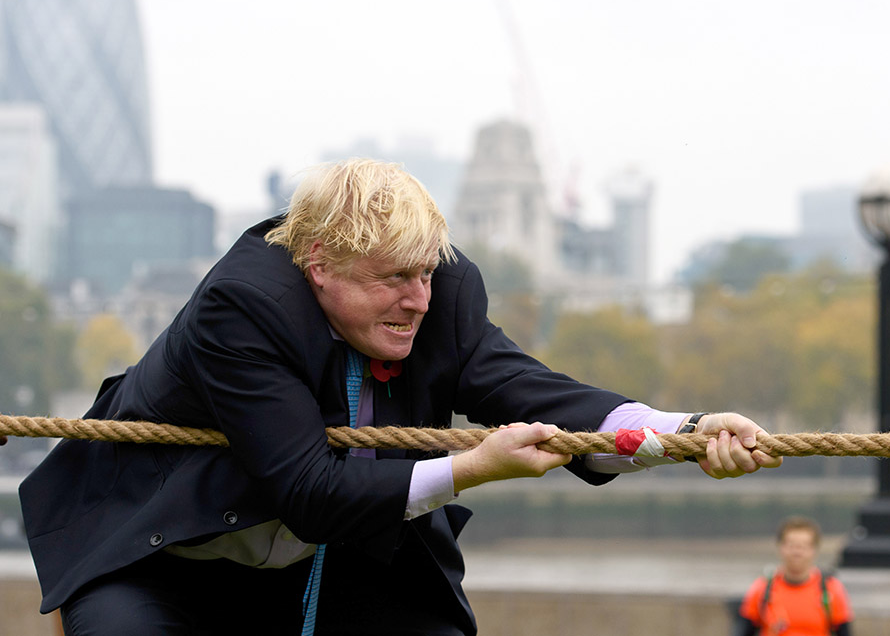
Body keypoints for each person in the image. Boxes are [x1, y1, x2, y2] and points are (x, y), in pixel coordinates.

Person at [19, 158, 781, 635]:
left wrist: (683, 432)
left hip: (340, 559)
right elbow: (310, 491)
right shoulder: (242, 307)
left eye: (424, 273)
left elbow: (530, 389)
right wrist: (472, 468)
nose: (417, 300)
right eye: (393, 279)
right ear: (319, 263)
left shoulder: (442, 289)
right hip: (164, 554)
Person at [736, 516, 853, 636]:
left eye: (803, 546)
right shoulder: (762, 589)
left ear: (814, 550)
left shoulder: (831, 590)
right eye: (791, 545)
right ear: (780, 547)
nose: (797, 552)